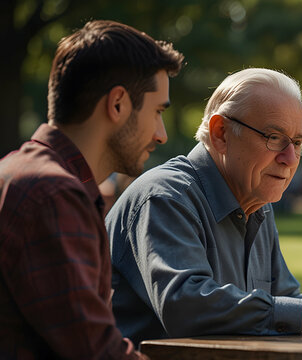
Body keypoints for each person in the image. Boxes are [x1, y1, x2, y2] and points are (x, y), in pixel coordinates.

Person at [106, 68, 302, 345]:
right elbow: (185, 306)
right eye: (274, 138)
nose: (290, 159)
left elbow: (283, 301)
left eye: (297, 143)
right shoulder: (165, 197)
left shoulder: (256, 202)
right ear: (221, 133)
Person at [0, 20, 184, 359]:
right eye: (157, 111)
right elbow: (97, 352)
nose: (161, 135)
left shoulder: (19, 171)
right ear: (117, 105)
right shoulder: (53, 194)